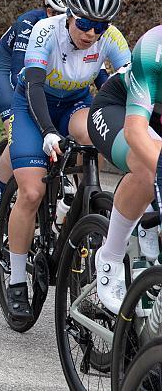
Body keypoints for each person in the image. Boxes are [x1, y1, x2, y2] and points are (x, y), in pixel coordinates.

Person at [5, 0, 130, 320]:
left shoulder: (111, 39)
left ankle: (77, 198)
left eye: (99, 27)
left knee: (91, 133)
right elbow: (31, 85)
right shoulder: (46, 31)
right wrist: (46, 130)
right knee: (30, 193)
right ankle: (16, 280)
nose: (91, 33)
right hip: (34, 105)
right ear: (70, 15)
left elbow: (132, 85)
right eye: (85, 23)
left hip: (75, 103)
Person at [86, 25, 162, 313]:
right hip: (119, 109)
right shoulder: (154, 47)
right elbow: (135, 133)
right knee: (147, 170)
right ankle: (111, 256)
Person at [0, 0, 72, 198]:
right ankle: (3, 194)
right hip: (5, 72)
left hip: (39, 76)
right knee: (14, 132)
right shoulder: (29, 23)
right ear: (48, 11)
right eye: (60, 15)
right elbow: (20, 73)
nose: (65, 22)